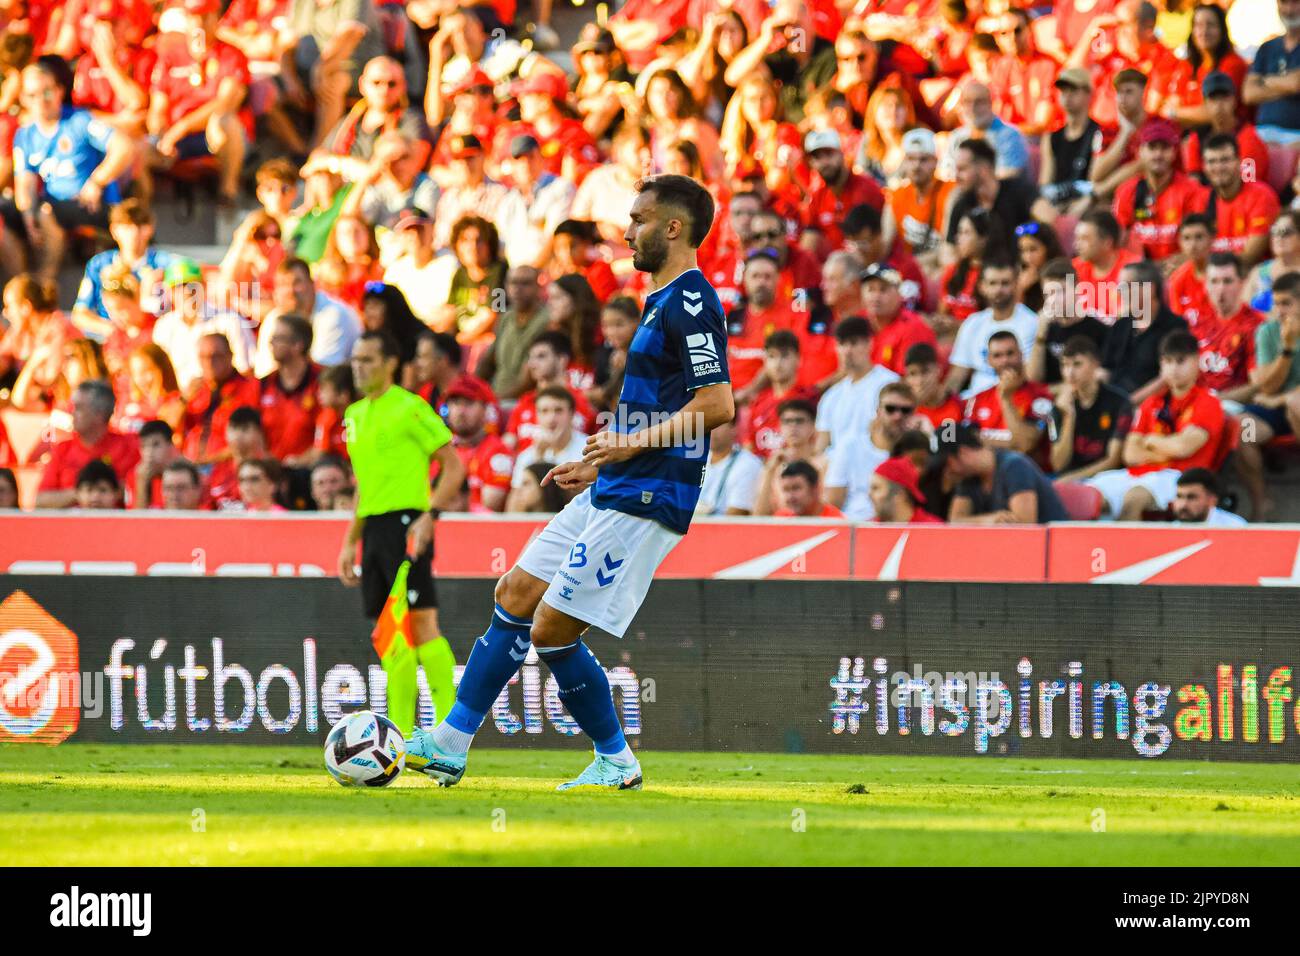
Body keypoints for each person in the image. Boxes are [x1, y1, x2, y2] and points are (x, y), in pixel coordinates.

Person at [404, 173, 734, 791]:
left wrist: (631, 445)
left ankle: (616, 761)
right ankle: (449, 743)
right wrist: (602, 459)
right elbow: (656, 405)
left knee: (553, 627)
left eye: (638, 220)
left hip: (651, 492)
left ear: (673, 227)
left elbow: (717, 405)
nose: (627, 231)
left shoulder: (693, 301)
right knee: (514, 591)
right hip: (619, 481)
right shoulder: (658, 300)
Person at [338, 329, 464, 737]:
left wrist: (431, 515)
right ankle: (401, 736)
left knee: (423, 624)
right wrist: (349, 541)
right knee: (390, 631)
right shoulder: (354, 415)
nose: (359, 367)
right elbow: (364, 485)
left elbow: (454, 466)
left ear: (391, 363)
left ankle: (450, 731)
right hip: (374, 529)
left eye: (368, 360)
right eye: (355, 360)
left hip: (407, 524)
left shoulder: (410, 408)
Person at [0, 55, 133, 280]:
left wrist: (97, 180)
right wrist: (27, 216)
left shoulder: (79, 121)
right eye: (32, 95)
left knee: (46, 212)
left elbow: (124, 146)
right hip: (54, 205)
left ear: (60, 91)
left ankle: (45, 280)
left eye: (47, 91)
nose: (41, 99)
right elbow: (25, 182)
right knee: (11, 209)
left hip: (92, 204)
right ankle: (20, 285)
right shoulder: (25, 135)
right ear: (23, 99)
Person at [1084, 330, 1227, 520]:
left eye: (1180, 361)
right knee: (1085, 496)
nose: (1174, 369)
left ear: (1196, 361)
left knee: (1133, 499)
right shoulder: (1151, 402)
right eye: (1168, 362)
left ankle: (1126, 551)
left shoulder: (1208, 402)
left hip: (1180, 478)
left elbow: (1183, 448)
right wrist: (1167, 447)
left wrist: (1149, 440)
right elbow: (1130, 455)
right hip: (1136, 473)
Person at [1234, 271, 1300, 518]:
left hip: (1293, 406)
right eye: (1276, 303)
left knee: (1296, 403)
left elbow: (1277, 395)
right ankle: (1262, 502)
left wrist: (1280, 399)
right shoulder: (1268, 331)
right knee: (1243, 428)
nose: (1279, 310)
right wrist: (1287, 348)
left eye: (1286, 303)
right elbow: (1266, 386)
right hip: (1274, 410)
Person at [1113, 119, 1212, 263]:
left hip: (1179, 268)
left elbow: (1201, 243)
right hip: (1139, 273)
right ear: (1139, 151)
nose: (1158, 154)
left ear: (1174, 151)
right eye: (1152, 148)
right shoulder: (1127, 191)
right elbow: (1118, 241)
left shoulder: (1192, 191)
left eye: (1164, 148)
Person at [36, 380, 139, 508]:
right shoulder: (63, 449)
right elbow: (40, 501)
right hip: (71, 525)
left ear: (99, 414)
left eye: (78, 408)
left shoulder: (129, 446)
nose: (72, 413)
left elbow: (141, 493)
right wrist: (80, 494)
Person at [946, 259, 1039, 398]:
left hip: (1014, 397)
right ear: (982, 287)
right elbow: (957, 375)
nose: (999, 290)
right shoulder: (973, 323)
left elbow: (1028, 376)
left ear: (1015, 285)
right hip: (973, 400)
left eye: (1005, 283)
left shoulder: (1031, 322)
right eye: (992, 283)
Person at [940, 422, 1069, 524]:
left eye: (947, 465)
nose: (947, 473)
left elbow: (1025, 526)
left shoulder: (1014, 466)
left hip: (1052, 549)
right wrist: (988, 520)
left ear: (963, 453)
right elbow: (955, 521)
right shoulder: (968, 476)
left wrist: (973, 521)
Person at [964, 331, 1056, 469]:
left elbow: (1025, 445)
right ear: (989, 360)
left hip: (1027, 474)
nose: (1005, 361)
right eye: (997, 355)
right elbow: (969, 442)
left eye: (1010, 353)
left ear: (1021, 355)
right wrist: (1012, 444)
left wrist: (1005, 398)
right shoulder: (978, 398)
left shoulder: (1041, 396)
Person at [1102, 260, 1191, 402]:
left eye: (1127, 286)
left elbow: (1167, 378)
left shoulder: (1175, 327)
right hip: (1115, 402)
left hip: (1152, 405)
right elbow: (1105, 369)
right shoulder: (1121, 325)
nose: (1119, 291)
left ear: (1150, 289)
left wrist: (1129, 403)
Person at [825, 382, 917, 519]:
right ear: (878, 411)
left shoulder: (915, 453)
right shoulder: (850, 446)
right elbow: (833, 503)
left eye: (905, 410)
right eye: (890, 409)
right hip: (853, 526)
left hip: (897, 527)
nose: (898, 416)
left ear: (914, 414)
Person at [1051, 336, 1135, 482]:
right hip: (1067, 478)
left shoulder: (1119, 402)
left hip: (1108, 479)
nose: (1069, 373)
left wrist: (1073, 479)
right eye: (1064, 365)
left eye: (1077, 364)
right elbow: (1058, 464)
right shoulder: (1060, 406)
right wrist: (1069, 417)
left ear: (1095, 364)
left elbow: (1113, 460)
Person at [814, 316, 900, 452]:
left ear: (870, 344)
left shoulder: (890, 383)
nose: (847, 351)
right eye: (842, 344)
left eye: (854, 343)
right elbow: (821, 447)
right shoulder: (831, 397)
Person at [178, 334, 260, 465]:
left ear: (230, 356)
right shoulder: (195, 390)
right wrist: (184, 400)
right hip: (191, 468)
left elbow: (251, 439)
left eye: (216, 356)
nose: (209, 362)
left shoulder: (249, 388)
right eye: (203, 357)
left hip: (228, 468)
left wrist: (206, 462)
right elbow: (167, 426)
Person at [1201, 133, 1281, 267]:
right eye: (1212, 161)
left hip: (1253, 278)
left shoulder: (1261, 196)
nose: (1219, 168)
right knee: (1154, 281)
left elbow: (1250, 257)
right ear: (1204, 166)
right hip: (1212, 278)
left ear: (1239, 161)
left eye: (1225, 160)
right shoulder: (1201, 198)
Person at [1028, 258, 1111, 386]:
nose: (1054, 299)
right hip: (1050, 399)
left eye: (1062, 291)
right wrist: (1040, 335)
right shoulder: (1044, 329)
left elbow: (1104, 375)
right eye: (1048, 294)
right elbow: (1034, 379)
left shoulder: (1099, 330)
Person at [506, 386, 586, 510]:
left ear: (572, 414)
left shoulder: (589, 449)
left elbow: (587, 501)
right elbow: (512, 509)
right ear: (536, 415)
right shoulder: (528, 456)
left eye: (558, 411)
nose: (551, 419)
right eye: (544, 411)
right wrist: (538, 460)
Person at [477, 266, 550, 399]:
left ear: (538, 287)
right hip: (496, 394)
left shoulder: (547, 321)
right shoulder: (505, 318)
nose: (518, 289)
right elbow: (488, 361)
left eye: (525, 283)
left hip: (525, 400)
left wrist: (495, 400)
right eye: (513, 283)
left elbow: (529, 381)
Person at [444, 375, 514, 514]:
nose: (461, 411)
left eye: (469, 403)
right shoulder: (442, 449)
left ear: (486, 410)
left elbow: (491, 505)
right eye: (456, 403)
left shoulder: (498, 451)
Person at [1040, 68, 1104, 216]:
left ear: (1089, 94)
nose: (1067, 96)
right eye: (1063, 91)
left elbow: (1097, 179)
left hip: (1087, 208)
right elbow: (1045, 183)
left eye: (1073, 90)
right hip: (1057, 206)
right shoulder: (1051, 138)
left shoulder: (1099, 133)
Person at [861, 263, 936, 376]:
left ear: (899, 294)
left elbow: (910, 382)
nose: (876, 297)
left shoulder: (913, 327)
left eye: (883, 290)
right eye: (870, 289)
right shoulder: (859, 323)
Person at [1243, 0, 1300, 144]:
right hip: (1262, 133)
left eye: (1295, 2)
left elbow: (1295, 83)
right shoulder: (1267, 48)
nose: (1289, 9)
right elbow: (1249, 94)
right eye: (1284, 2)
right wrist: (1287, 85)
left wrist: (1265, 80)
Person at [695, 417, 762, 516]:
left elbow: (736, 514)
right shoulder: (695, 459)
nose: (711, 430)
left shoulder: (748, 464)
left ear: (734, 428)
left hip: (720, 529)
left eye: (717, 425)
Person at [870, 455, 943, 524]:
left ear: (899, 494)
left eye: (876, 488)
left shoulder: (932, 530)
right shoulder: (869, 528)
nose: (869, 494)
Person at [1171, 467, 1247, 525]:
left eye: (1192, 497)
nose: (1183, 505)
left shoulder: (1234, 527)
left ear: (1212, 500)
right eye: (1179, 496)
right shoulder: (1169, 531)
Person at [772, 460, 843, 518]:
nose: (790, 496)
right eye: (786, 489)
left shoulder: (836, 522)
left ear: (815, 489)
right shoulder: (782, 518)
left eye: (796, 488)